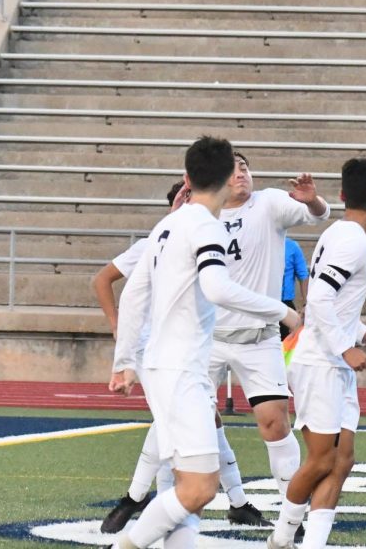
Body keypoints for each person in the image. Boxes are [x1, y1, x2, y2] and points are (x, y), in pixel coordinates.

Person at [106, 136, 300, 549]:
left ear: (187, 178)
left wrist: (124, 361)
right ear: (232, 178)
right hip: (180, 372)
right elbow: (217, 288)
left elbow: (133, 293)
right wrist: (280, 311)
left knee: (186, 488)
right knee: (199, 488)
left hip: (165, 367)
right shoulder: (203, 226)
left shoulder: (168, 224)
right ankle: (125, 545)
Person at [96, 181, 269, 532]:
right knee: (191, 462)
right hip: (165, 355)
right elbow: (107, 282)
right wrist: (122, 342)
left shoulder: (193, 238)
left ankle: (149, 499)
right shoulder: (160, 239)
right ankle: (139, 499)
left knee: (198, 432)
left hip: (173, 354)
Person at [268, 158, 366, 549]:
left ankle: (314, 543)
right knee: (322, 460)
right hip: (320, 362)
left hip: (333, 362)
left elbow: (332, 305)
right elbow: (319, 297)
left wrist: (363, 332)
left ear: (341, 194)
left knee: (343, 459)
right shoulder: (352, 240)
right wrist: (346, 347)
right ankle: (282, 537)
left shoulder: (340, 232)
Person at [209, 152, 330, 507]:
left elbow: (316, 215)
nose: (241, 174)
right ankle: (234, 501)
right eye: (232, 170)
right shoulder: (203, 215)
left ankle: (293, 512)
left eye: (244, 167)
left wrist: (314, 201)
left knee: (274, 423)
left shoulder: (269, 203)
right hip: (207, 338)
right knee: (195, 421)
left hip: (259, 337)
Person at [281, 237, 309, 339]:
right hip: (263, 301)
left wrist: (306, 303)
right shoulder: (260, 244)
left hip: (285, 303)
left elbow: (303, 276)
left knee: (287, 343)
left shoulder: (292, 246)